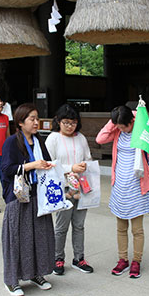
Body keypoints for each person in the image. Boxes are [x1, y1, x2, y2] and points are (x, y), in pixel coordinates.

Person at [0, 103, 55, 296]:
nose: (36, 122)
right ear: (21, 122)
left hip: (38, 196)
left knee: (39, 237)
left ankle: (36, 273)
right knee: (16, 239)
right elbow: (6, 169)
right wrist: (31, 165)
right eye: (31, 118)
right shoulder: (11, 142)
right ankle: (11, 280)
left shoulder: (40, 141)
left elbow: (46, 163)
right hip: (19, 196)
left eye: (36, 118)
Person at [96, 105, 149, 279]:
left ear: (132, 121)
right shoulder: (117, 132)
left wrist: (136, 116)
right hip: (120, 184)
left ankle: (136, 260)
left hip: (137, 184)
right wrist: (114, 121)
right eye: (118, 126)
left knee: (137, 229)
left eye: (123, 126)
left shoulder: (142, 129)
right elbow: (100, 138)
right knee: (121, 227)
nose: (120, 129)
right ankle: (123, 259)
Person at [45, 104, 94, 275]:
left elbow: (88, 158)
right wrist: (71, 167)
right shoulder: (52, 139)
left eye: (73, 122)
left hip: (81, 187)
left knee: (79, 225)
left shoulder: (80, 138)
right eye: (66, 122)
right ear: (58, 121)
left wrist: (84, 165)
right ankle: (58, 258)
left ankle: (79, 258)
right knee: (61, 225)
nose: (69, 126)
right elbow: (48, 165)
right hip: (62, 188)